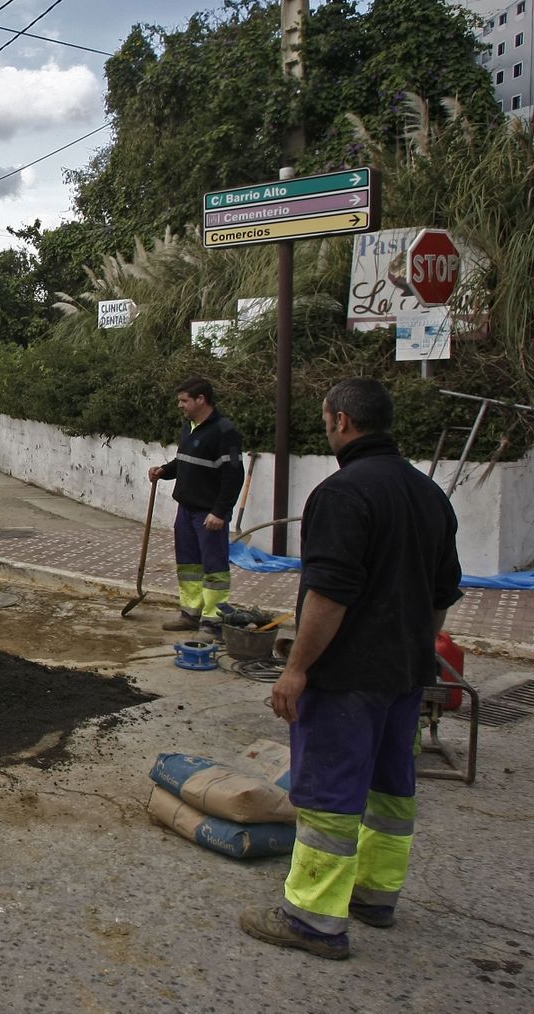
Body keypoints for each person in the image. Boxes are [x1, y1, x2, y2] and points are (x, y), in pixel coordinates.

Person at [239, 378, 462, 960]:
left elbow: (329, 597)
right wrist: (416, 646)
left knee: (330, 798)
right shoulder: (429, 494)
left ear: (341, 421)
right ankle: (374, 896)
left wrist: (297, 669)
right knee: (390, 790)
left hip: (348, 677)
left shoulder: (342, 495)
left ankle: (313, 920)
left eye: (325, 418)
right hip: (407, 673)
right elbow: (442, 593)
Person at [148, 376, 244, 639]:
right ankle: (191, 613)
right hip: (186, 510)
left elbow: (233, 476)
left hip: (209, 513)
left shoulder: (224, 432)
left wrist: (220, 512)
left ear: (201, 400)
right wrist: (164, 471)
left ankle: (213, 622)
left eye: (184, 400)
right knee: (189, 565)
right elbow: (184, 462)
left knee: (214, 568)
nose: (180, 405)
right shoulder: (190, 428)